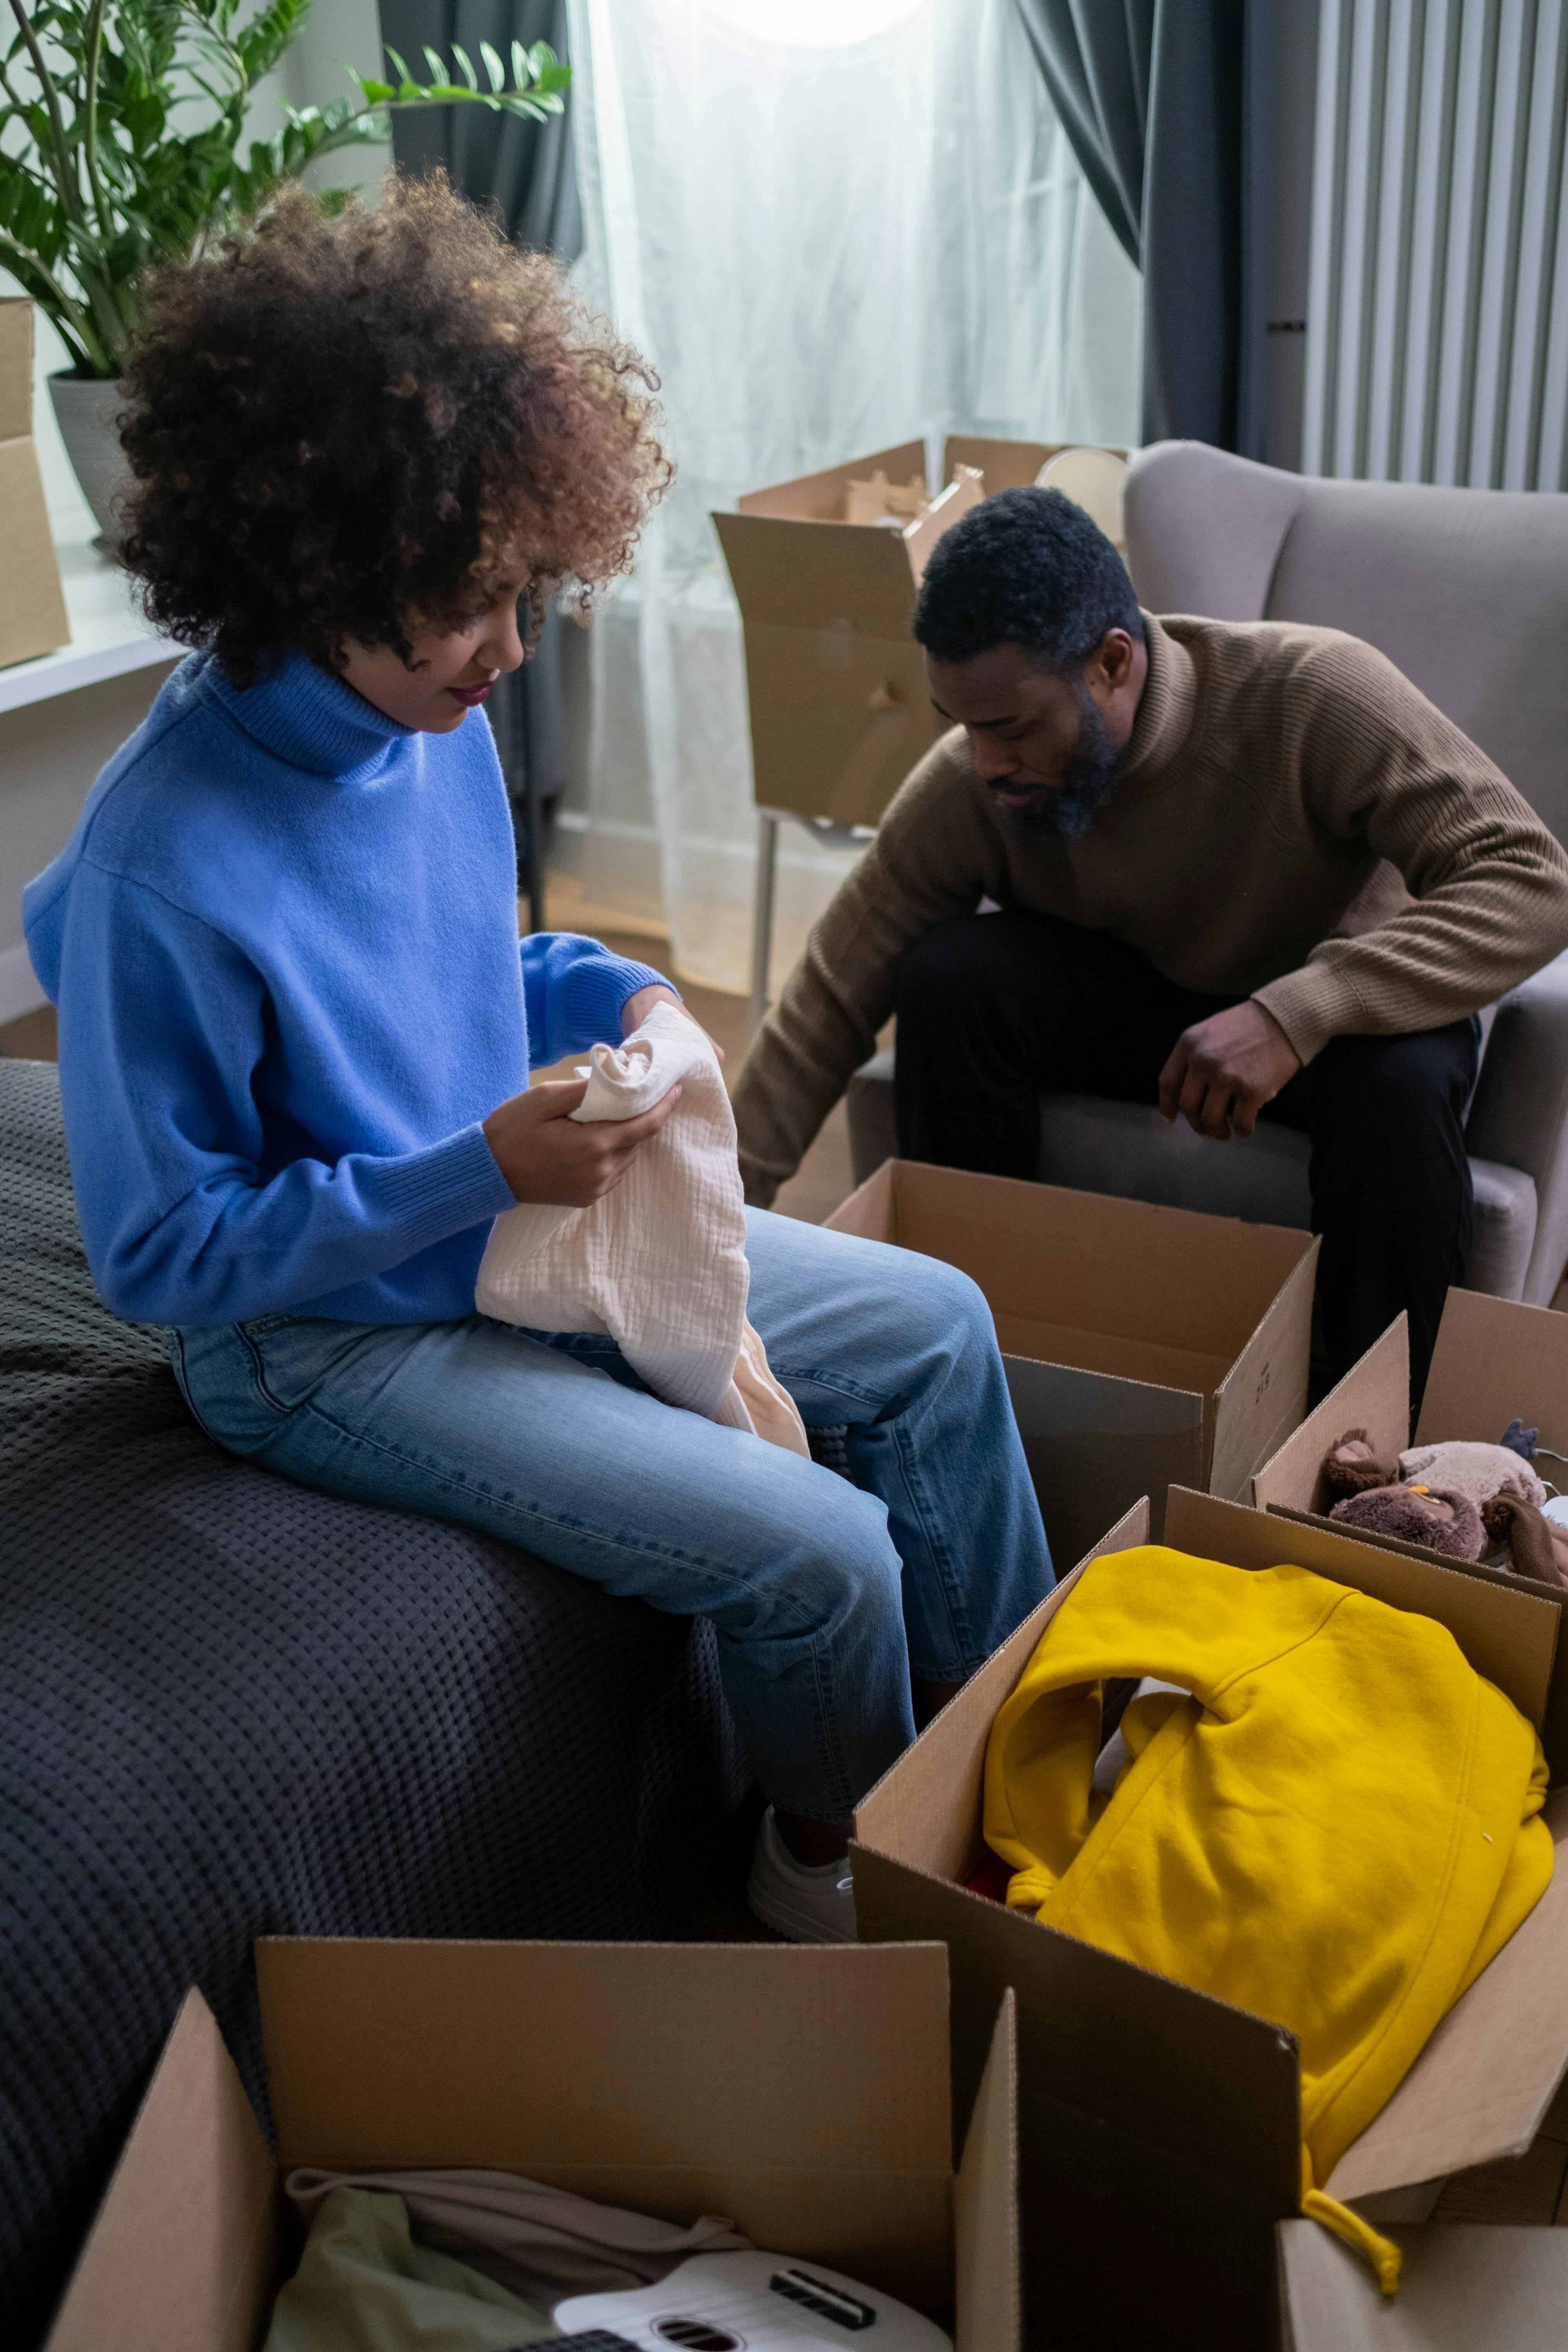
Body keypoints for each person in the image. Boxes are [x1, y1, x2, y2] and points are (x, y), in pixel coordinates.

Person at [21, 179, 1051, 1945]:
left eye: (524, 588)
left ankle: (1017, 1783)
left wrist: (621, 996)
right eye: (470, 602)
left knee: (941, 1327)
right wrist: (471, 1174)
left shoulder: (431, 720)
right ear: (310, 567)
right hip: (320, 1342)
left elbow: (470, 966)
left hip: (499, 1217)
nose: (511, 647)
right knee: (823, 1566)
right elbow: (162, 1258)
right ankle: (852, 1909)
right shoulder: (158, 865)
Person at [733, 488, 1568, 1415]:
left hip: (1333, 1020)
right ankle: (978, 1356)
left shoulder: (1314, 694)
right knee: (950, 978)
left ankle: (1373, 1434)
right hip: (1145, 1007)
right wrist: (714, 1215)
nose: (985, 762)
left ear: (1112, 665)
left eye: (1010, 728)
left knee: (1403, 1080)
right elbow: (828, 996)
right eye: (959, 725)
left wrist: (1299, 1012)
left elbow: (1532, 878)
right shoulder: (975, 785)